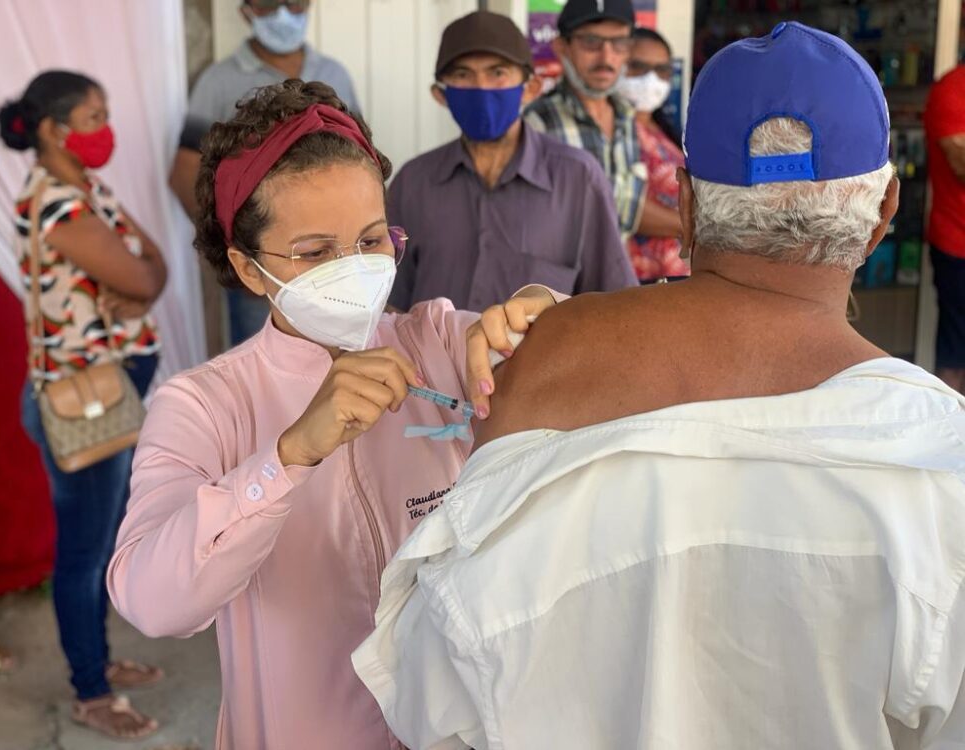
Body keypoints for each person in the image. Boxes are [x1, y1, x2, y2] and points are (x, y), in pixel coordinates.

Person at [354, 23, 965, 749]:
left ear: (688, 205)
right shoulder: (940, 465)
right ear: (884, 213)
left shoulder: (544, 376)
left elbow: (433, 688)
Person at [107, 79, 560, 749]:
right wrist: (286, 460)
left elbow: (561, 357)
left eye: (373, 238)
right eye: (316, 252)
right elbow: (151, 599)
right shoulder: (205, 406)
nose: (354, 269)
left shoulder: (435, 341)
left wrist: (537, 311)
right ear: (250, 268)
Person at [0, 71, 167, 740]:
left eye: (105, 112)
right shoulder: (58, 204)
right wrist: (146, 279)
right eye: (92, 115)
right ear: (51, 128)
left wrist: (148, 277)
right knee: (85, 552)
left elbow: (152, 264)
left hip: (108, 397)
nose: (105, 127)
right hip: (83, 406)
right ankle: (90, 692)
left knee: (98, 544)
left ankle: (97, 660)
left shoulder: (83, 189)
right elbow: (141, 271)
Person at [388, 11, 636, 313]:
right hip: (428, 361)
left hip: (544, 362)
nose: (482, 87)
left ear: (530, 88)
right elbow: (390, 305)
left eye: (497, 73)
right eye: (463, 75)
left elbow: (615, 305)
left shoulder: (578, 178)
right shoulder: (413, 182)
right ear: (441, 95)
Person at [169, 0, 360, 346]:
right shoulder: (219, 81)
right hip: (266, 265)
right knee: (268, 376)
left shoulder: (334, 74)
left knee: (340, 361)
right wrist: (238, 252)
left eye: (294, 2)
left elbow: (361, 162)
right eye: (270, 4)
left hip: (337, 261)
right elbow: (184, 174)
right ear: (246, 11)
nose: (284, 14)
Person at [525, 0, 682, 244]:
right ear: (562, 47)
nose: (606, 56)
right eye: (590, 42)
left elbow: (624, 212)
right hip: (561, 280)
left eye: (619, 43)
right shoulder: (538, 124)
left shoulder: (626, 118)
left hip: (615, 277)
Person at [617, 28, 689, 281]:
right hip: (635, 275)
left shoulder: (665, 130)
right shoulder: (611, 130)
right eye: (637, 67)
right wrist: (694, 226)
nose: (651, 79)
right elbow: (621, 205)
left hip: (675, 274)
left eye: (661, 70)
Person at [924, 64, 965, 392]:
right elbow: (960, 162)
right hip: (958, 244)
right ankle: (950, 437)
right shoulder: (952, 90)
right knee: (954, 357)